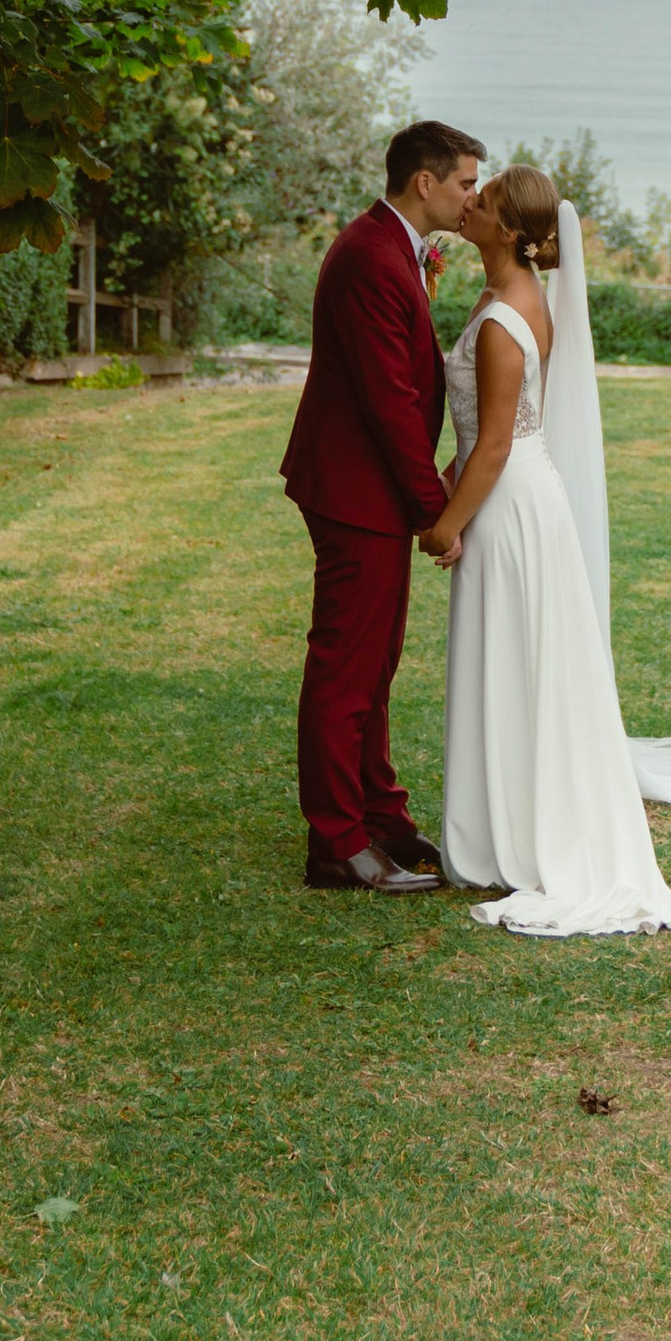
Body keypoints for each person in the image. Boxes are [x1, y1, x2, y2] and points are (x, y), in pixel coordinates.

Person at [427, 164, 671, 937]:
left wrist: (448, 523)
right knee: (508, 660)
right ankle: (498, 827)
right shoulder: (505, 298)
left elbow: (495, 446)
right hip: (513, 490)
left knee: (515, 660)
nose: (468, 203)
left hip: (509, 502)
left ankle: (519, 836)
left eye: (483, 201)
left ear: (510, 231)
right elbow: (484, 435)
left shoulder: (507, 318)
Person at [281, 120, 485, 893]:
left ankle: (381, 816)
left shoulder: (391, 245)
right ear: (424, 182)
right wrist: (435, 507)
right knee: (345, 667)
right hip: (354, 488)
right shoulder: (369, 256)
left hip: (369, 490)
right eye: (465, 183)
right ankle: (336, 842)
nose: (472, 198)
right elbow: (388, 401)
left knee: (377, 662)